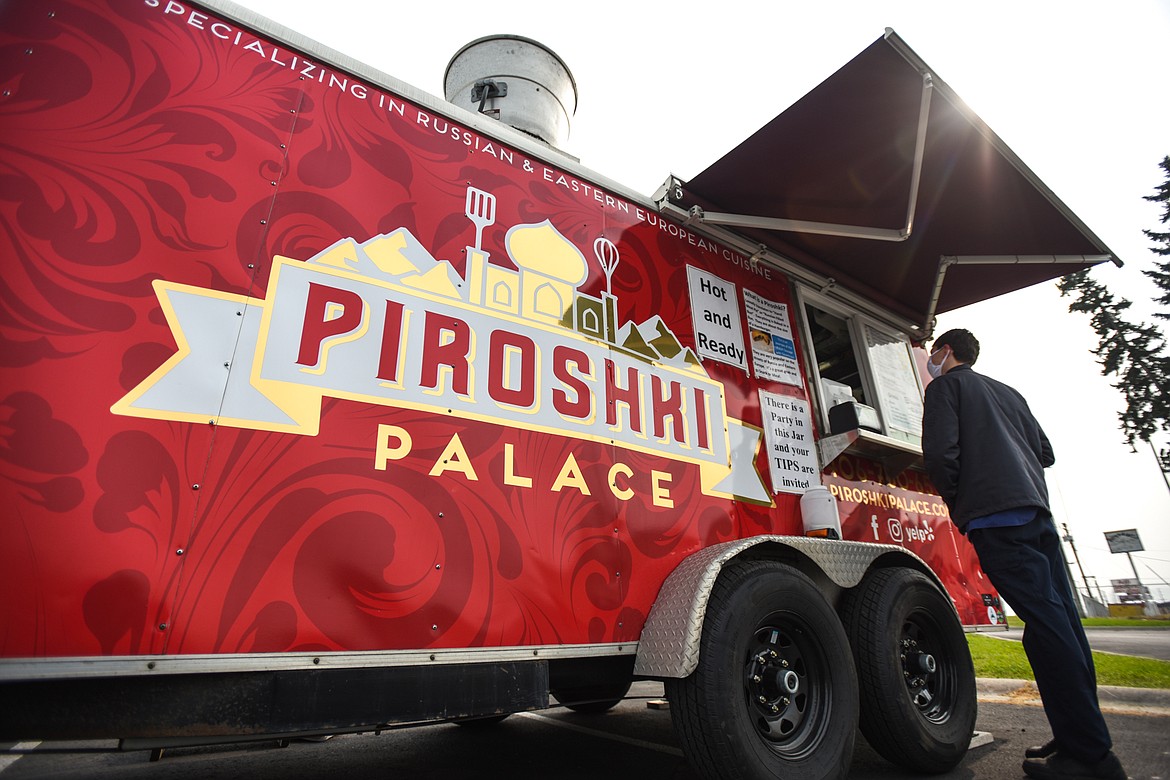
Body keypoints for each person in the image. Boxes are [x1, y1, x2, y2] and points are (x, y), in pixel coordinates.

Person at [921, 328, 1126, 780]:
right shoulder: (1008, 392)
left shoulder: (944, 389)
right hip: (1037, 516)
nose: (930, 357)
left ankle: (1091, 757)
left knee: (1050, 630)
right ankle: (1074, 735)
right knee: (1058, 627)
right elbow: (1046, 453)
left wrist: (962, 505)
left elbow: (940, 456)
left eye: (933, 350)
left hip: (997, 519)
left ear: (946, 352)